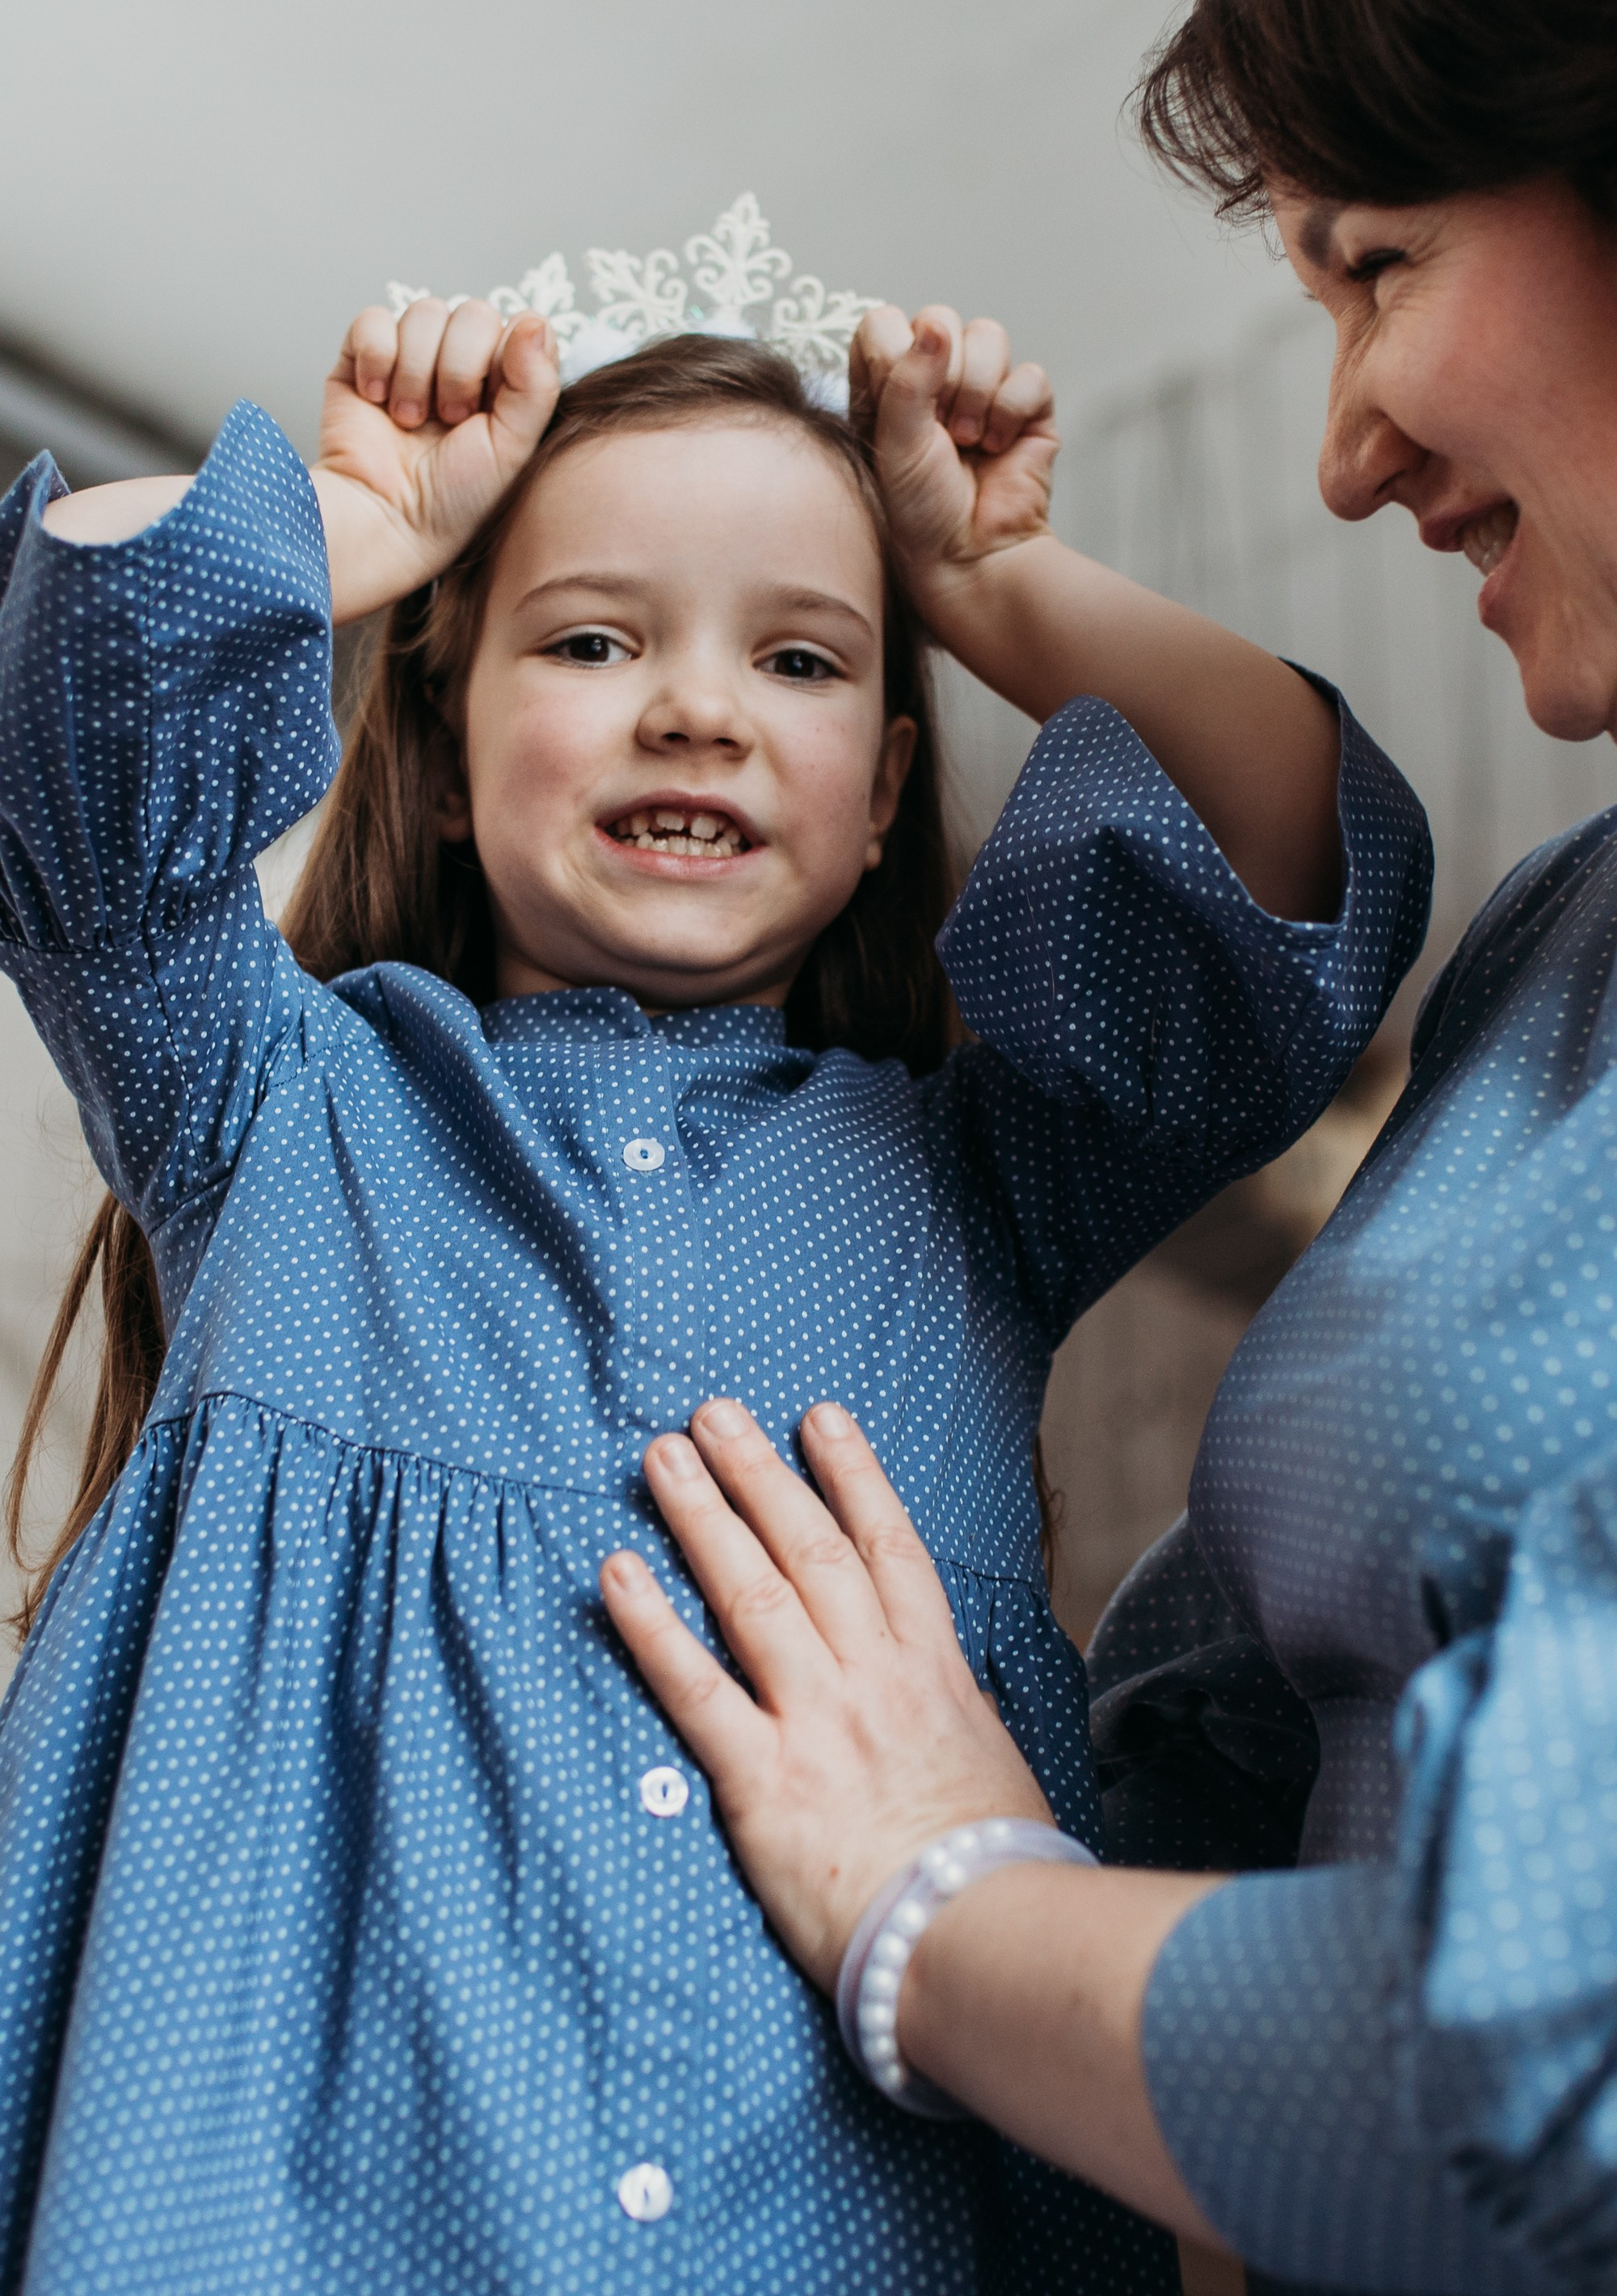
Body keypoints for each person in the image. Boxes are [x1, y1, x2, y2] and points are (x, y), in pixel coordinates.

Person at [0, 260, 1426, 2290]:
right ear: (444, 732)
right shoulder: (272, 1109)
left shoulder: (981, 1185)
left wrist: (993, 583)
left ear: (884, 802)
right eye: (590, 640)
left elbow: (1291, 853)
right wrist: (364, 523)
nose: (692, 707)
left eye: (801, 660)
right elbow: (66, 691)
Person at [598, 0, 1617, 2291]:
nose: (1343, 456)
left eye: (1376, 265)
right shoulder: (1554, 954)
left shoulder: (1007, 1151)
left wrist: (928, 1908)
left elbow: (1533, 2048)